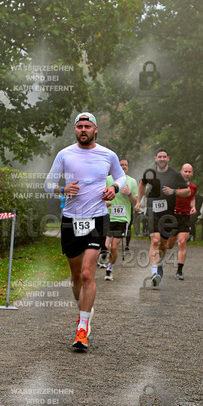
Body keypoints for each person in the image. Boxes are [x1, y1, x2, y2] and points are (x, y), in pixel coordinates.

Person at [44, 112, 126, 350]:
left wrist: (114, 188)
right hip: (71, 221)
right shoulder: (65, 154)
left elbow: (120, 177)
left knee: (88, 274)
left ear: (95, 129)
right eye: (79, 126)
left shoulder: (108, 154)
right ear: (75, 129)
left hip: (97, 219)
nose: (83, 130)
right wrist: (62, 189)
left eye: (87, 126)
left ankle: (82, 327)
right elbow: (48, 184)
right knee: (76, 276)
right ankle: (85, 310)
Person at [135, 148, 190, 286]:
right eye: (159, 157)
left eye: (164, 157)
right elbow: (142, 183)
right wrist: (139, 201)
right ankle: (154, 273)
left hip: (168, 215)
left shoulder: (175, 174)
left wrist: (174, 191)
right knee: (155, 240)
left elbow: (188, 191)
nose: (162, 159)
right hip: (152, 212)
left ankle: (159, 263)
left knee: (164, 244)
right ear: (155, 159)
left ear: (168, 158)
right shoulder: (150, 173)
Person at [104, 158, 138, 280]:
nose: (124, 167)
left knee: (114, 247)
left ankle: (109, 268)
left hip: (122, 219)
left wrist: (129, 194)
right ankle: (104, 258)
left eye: (126, 165)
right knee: (105, 246)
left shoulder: (132, 181)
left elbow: (136, 202)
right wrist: (105, 202)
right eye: (121, 165)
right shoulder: (108, 179)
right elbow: (100, 194)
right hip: (107, 217)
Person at [165, 163, 197, 280]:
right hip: (173, 216)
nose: (187, 174)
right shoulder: (174, 184)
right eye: (185, 171)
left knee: (182, 242)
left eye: (189, 172)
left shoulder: (193, 187)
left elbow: (192, 197)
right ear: (181, 172)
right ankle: (158, 259)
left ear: (192, 173)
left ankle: (179, 271)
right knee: (169, 245)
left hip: (185, 217)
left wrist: (193, 206)